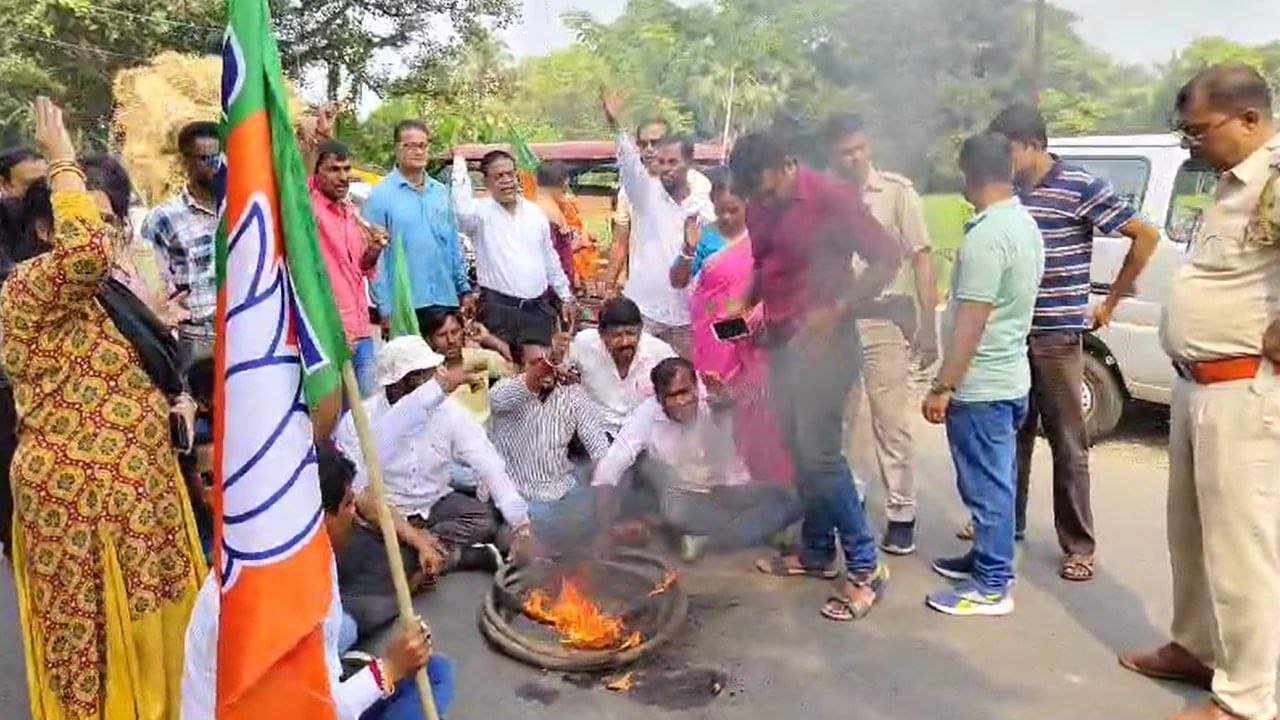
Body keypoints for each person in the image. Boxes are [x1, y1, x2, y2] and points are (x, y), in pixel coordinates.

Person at [2, 98, 204, 720]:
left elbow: (152, 368)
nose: (110, 235)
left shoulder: (108, 295)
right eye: (94, 219)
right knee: (92, 649)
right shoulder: (26, 288)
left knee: (164, 630)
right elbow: (85, 252)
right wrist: (63, 159)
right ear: (46, 230)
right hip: (81, 509)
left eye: (115, 222)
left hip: (142, 496)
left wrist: (180, 395)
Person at [1120, 63, 1280, 720]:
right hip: (1196, 386)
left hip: (1244, 391)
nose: (1192, 145)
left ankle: (1246, 699)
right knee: (1189, 534)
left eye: (1199, 132)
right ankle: (1195, 646)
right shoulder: (1227, 183)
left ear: (1248, 118)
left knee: (1242, 550)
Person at [729, 131, 900, 623]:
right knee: (798, 449)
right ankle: (817, 552)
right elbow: (764, 263)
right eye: (753, 197)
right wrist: (743, 306)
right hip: (782, 344)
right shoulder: (760, 203)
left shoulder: (832, 197)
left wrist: (838, 308)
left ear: (787, 165)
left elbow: (888, 258)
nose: (761, 203)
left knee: (822, 453)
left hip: (829, 344)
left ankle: (867, 568)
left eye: (765, 191)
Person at [986, 103, 1160, 582]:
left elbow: (1144, 235)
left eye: (1007, 152)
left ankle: (1078, 545)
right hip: (1012, 334)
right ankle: (1007, 524)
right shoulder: (1010, 192)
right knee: (1012, 436)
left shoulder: (1079, 184)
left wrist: (1112, 302)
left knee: (1067, 442)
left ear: (1030, 145)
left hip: (1058, 335)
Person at [182, 442, 456, 720]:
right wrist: (388, 669)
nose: (355, 513)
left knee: (434, 673)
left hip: (318, 694)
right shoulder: (261, 595)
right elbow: (316, 712)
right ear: (319, 517)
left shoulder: (308, 549)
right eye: (348, 504)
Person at [919, 132, 1044, 617]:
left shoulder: (990, 234)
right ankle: (984, 559)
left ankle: (992, 583)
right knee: (997, 479)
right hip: (1008, 376)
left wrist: (943, 385)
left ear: (970, 175)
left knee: (987, 486)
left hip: (982, 384)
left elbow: (973, 318)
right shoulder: (1021, 223)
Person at [826, 113, 938, 555]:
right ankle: (849, 504)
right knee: (844, 418)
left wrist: (928, 324)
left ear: (868, 148)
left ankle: (901, 512)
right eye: (844, 151)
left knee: (889, 418)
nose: (853, 157)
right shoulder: (826, 197)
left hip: (882, 318)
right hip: (836, 321)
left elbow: (923, 257)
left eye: (859, 148)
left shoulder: (896, 192)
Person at [333, 335, 534, 562]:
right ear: (394, 381)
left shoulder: (450, 412)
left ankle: (429, 555)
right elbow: (360, 490)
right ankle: (446, 556)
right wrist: (411, 535)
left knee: (483, 520)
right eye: (417, 375)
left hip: (435, 504)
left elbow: (488, 463)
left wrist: (521, 524)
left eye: (429, 373)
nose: (427, 382)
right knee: (364, 551)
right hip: (386, 512)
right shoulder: (358, 420)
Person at [592, 357, 801, 562]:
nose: (681, 401)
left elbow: (754, 421)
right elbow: (608, 470)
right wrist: (603, 532)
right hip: (687, 499)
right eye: (672, 396)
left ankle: (707, 542)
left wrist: (727, 406)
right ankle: (759, 531)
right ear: (658, 398)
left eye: (686, 392)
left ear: (696, 387)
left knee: (794, 501)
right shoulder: (644, 417)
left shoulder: (715, 399)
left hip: (734, 489)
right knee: (677, 513)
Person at [669, 169, 792, 486]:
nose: (726, 217)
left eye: (734, 210)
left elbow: (779, 287)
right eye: (720, 209)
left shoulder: (768, 238)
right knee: (715, 410)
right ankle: (721, 486)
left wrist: (751, 320)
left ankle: (765, 489)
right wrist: (687, 249)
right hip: (711, 343)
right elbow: (678, 281)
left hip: (755, 343)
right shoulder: (705, 236)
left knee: (758, 417)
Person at [601, 90, 713, 358]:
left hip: (689, 312)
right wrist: (617, 127)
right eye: (644, 144)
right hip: (645, 309)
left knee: (685, 384)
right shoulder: (640, 189)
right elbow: (628, 164)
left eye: (658, 143)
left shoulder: (703, 187)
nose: (650, 150)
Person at [489, 335, 611, 549]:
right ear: (518, 366)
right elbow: (498, 400)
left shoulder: (572, 394)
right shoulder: (504, 391)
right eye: (536, 362)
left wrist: (605, 501)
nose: (547, 368)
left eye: (552, 360)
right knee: (515, 529)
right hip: (520, 497)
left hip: (564, 493)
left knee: (604, 507)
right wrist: (547, 365)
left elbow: (600, 450)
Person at [450, 150, 575, 348]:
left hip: (538, 309)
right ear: (487, 182)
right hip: (499, 310)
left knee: (540, 370)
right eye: (498, 176)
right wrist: (459, 162)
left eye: (510, 174)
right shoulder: (479, 214)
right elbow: (460, 210)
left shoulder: (535, 213)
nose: (506, 180)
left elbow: (549, 258)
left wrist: (565, 295)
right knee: (502, 372)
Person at [363, 120, 474, 327]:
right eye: (410, 145)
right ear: (397, 148)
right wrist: (385, 308)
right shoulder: (380, 194)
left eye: (422, 145)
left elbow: (452, 245)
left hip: (446, 300)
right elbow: (374, 258)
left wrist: (464, 289)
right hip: (405, 306)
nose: (418, 151)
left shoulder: (440, 192)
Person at [311, 138, 387, 398]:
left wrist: (375, 250)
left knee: (366, 414)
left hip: (361, 329)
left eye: (346, 169)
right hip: (328, 332)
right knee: (333, 420)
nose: (343, 177)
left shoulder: (350, 210)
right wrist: (317, 134)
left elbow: (362, 267)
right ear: (316, 172)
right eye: (334, 170)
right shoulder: (308, 209)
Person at [141, 119, 222, 365]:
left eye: (220, 158)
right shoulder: (163, 219)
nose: (216, 166)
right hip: (196, 342)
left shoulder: (242, 210)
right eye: (207, 159)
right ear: (186, 161)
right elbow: (152, 287)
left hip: (244, 333)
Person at [569, 296, 677, 437]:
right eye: (617, 335)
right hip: (596, 431)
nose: (625, 341)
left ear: (640, 331)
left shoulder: (659, 351)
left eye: (631, 334)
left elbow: (687, 384)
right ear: (601, 334)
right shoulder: (584, 343)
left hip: (644, 435)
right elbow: (560, 367)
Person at [420, 307, 513, 426]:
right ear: (429, 340)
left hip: (487, 434)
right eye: (442, 335)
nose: (451, 340)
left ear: (463, 331)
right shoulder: (428, 374)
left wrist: (489, 339)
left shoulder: (478, 360)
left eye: (455, 332)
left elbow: (521, 369)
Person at [534, 160, 599, 292]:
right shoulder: (550, 214)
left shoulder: (535, 207)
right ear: (564, 182)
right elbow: (553, 254)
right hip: (553, 287)